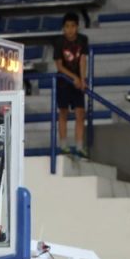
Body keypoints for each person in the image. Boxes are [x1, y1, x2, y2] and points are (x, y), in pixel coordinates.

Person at [51, 11, 89, 158]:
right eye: (67, 26)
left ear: (77, 27)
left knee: (80, 113)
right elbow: (59, 66)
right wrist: (74, 77)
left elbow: (83, 60)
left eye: (73, 26)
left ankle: (79, 146)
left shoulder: (83, 40)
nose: (70, 29)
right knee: (63, 112)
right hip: (63, 81)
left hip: (77, 82)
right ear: (63, 28)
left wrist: (82, 79)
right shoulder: (59, 42)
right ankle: (63, 145)